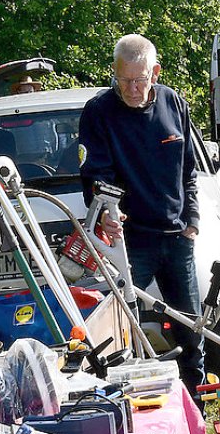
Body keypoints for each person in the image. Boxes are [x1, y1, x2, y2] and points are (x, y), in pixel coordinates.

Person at [79, 34, 205, 395]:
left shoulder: (173, 104)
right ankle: (130, 408)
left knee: (190, 329)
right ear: (114, 75)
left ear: (156, 73)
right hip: (129, 242)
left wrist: (192, 223)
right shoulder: (99, 111)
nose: (133, 89)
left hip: (176, 236)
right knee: (120, 334)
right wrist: (105, 212)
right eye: (124, 80)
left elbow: (189, 170)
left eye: (141, 79)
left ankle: (196, 410)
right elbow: (96, 176)